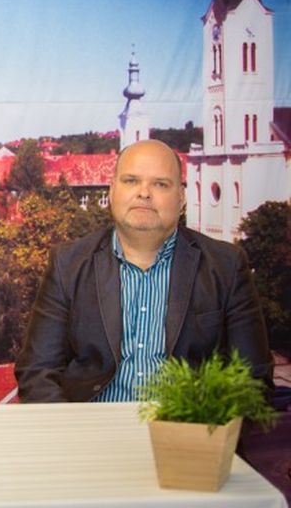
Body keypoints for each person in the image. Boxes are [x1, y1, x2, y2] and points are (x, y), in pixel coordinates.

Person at [15, 139, 272, 402]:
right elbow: (38, 372)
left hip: (187, 424)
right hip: (91, 422)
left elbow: (253, 378)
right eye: (131, 181)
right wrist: (74, 427)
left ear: (181, 198)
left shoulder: (226, 266)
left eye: (160, 184)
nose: (144, 193)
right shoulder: (67, 264)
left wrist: (204, 426)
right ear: (112, 191)